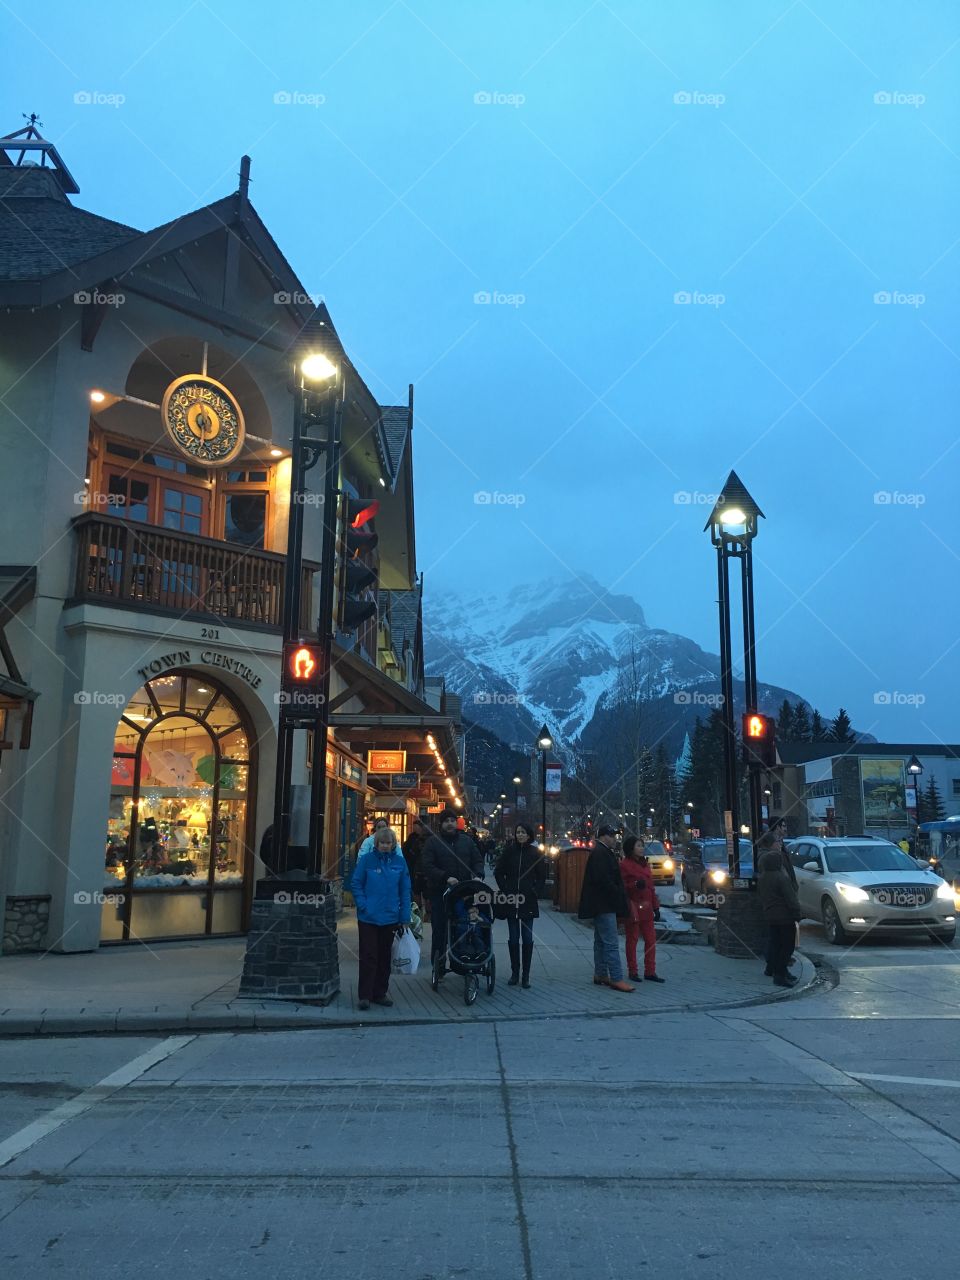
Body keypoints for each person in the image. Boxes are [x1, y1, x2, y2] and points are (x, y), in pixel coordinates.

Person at [351, 825, 412, 1011]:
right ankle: (365, 995)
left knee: (385, 957)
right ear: (376, 844)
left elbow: (405, 890)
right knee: (369, 955)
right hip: (369, 917)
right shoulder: (367, 861)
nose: (385, 846)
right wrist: (363, 905)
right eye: (382, 843)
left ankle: (380, 993)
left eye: (388, 843)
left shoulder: (400, 863)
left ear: (394, 844)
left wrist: (404, 915)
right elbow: (356, 883)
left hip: (390, 917)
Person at [420, 809, 486, 962]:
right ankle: (439, 965)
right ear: (441, 824)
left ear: (457, 823)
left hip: (464, 892)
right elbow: (427, 865)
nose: (450, 824)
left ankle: (465, 955)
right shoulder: (433, 842)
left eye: (452, 821)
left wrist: (478, 874)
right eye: (446, 821)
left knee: (464, 924)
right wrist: (445, 877)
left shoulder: (467, 841)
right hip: (440, 892)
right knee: (440, 930)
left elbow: (477, 860)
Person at [577, 824, 633, 992]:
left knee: (601, 942)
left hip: (600, 904)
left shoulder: (601, 852)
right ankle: (616, 978)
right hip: (604, 904)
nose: (615, 839)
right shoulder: (601, 853)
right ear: (602, 837)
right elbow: (604, 880)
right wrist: (618, 894)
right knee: (611, 943)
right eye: (611, 835)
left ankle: (600, 973)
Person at [494, 822, 546, 987]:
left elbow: (541, 876)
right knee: (514, 938)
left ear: (529, 835)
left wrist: (534, 891)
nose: (520, 835)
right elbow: (498, 872)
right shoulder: (510, 851)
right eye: (518, 832)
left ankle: (526, 976)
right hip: (511, 901)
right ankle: (515, 973)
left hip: (527, 902)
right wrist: (505, 890)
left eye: (523, 832)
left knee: (528, 938)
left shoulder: (535, 853)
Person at [620, 836, 664, 983]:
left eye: (642, 845)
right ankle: (633, 971)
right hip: (633, 907)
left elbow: (651, 887)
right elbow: (621, 887)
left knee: (651, 940)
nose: (642, 848)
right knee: (632, 940)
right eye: (639, 845)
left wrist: (656, 907)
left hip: (647, 907)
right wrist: (634, 885)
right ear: (631, 848)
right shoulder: (625, 865)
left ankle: (650, 971)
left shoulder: (645, 865)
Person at [757, 848, 802, 988]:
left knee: (776, 944)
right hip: (785, 917)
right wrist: (797, 913)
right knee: (787, 947)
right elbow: (791, 898)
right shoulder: (781, 878)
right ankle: (780, 974)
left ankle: (774, 969)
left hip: (771, 916)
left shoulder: (763, 878)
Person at [401, 820, 429, 908]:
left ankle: (427, 912)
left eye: (417, 827)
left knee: (426, 892)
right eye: (414, 827)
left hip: (425, 869)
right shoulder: (412, 837)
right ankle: (418, 909)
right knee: (416, 890)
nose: (415, 829)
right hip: (414, 867)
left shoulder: (429, 840)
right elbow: (407, 850)